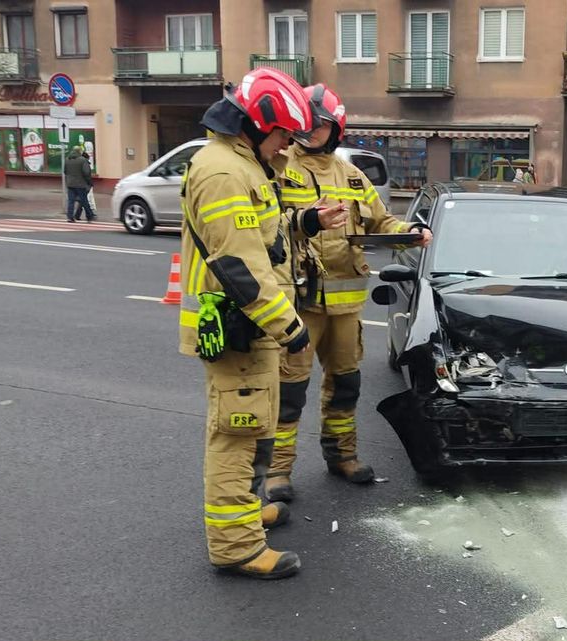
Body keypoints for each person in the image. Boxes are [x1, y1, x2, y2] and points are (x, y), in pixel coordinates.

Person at [177, 67, 345, 581]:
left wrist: (308, 221)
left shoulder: (244, 164)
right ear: (257, 123)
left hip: (253, 328)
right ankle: (235, 547)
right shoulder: (225, 170)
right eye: (282, 136)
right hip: (241, 328)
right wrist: (289, 328)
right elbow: (239, 267)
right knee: (237, 434)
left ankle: (248, 516)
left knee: (256, 433)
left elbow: (264, 238)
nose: (285, 147)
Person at [264, 84, 432, 503]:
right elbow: (267, 225)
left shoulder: (351, 175)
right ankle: (277, 472)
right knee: (289, 393)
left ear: (335, 127)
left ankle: (342, 456)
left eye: (317, 125)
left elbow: (380, 223)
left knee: (345, 386)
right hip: (299, 303)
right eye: (304, 124)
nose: (307, 131)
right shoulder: (280, 168)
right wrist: (309, 220)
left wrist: (409, 233)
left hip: (345, 308)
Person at [64, 146, 95, 222]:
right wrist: (89, 182)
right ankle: (89, 216)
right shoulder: (83, 160)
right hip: (80, 184)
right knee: (84, 201)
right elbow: (86, 172)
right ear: (80, 152)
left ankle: (70, 217)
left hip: (70, 184)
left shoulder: (67, 159)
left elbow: (65, 171)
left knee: (71, 201)